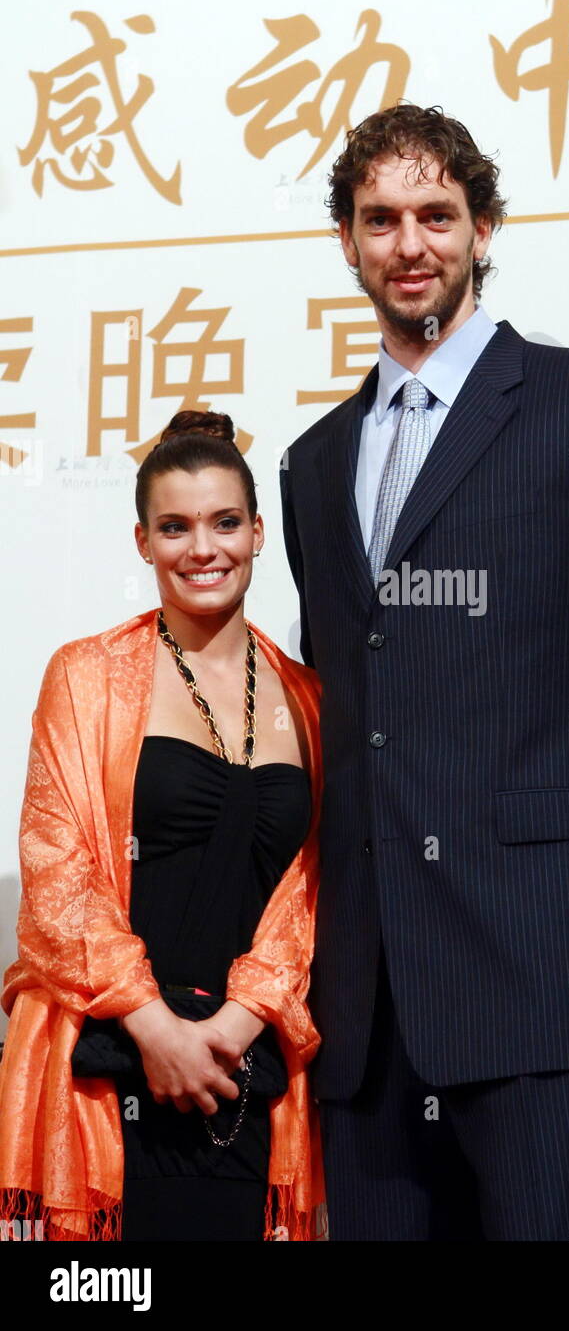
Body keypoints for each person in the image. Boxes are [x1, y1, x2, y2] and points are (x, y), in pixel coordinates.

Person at [279, 102, 569, 1240]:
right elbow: (347, 722)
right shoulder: (314, 462)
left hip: (540, 983)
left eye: (435, 214)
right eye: (380, 219)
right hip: (366, 1015)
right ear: (347, 241)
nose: (407, 244)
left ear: (483, 228)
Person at [0, 411, 325, 1241]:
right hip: (107, 1068)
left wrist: (230, 1026)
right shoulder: (86, 675)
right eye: (174, 527)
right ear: (143, 542)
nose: (202, 549)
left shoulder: (311, 698)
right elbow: (55, 872)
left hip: (244, 1074)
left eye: (224, 523)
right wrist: (156, 1030)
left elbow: (315, 893)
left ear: (258, 533)